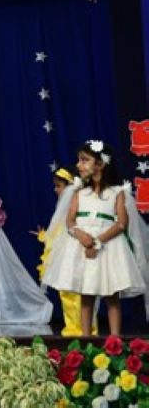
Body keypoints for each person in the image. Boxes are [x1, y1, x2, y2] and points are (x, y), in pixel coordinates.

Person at [43, 141, 148, 335]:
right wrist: (82, 236)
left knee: (111, 295)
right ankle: (86, 339)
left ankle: (115, 339)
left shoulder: (117, 193)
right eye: (79, 160)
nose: (79, 165)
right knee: (86, 293)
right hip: (82, 247)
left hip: (108, 247)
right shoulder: (79, 193)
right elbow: (70, 221)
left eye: (84, 160)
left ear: (100, 164)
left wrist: (98, 242)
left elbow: (121, 223)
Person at [34, 167, 96, 336]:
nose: (56, 190)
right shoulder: (63, 208)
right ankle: (73, 328)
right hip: (66, 258)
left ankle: (84, 330)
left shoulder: (79, 204)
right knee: (67, 293)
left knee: (79, 294)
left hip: (77, 255)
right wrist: (44, 236)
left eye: (59, 186)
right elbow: (57, 233)